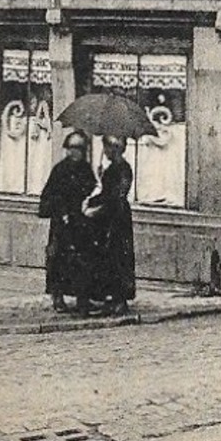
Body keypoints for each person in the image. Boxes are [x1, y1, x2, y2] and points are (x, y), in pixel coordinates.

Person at [37, 132, 97, 314]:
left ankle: (82, 298)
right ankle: (58, 296)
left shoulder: (86, 169)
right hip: (62, 223)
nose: (75, 152)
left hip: (81, 222)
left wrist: (94, 187)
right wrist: (61, 210)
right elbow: (49, 196)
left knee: (83, 259)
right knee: (59, 260)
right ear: (67, 149)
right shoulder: (60, 170)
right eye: (72, 148)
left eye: (79, 148)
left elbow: (91, 190)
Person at [83, 135, 137, 316]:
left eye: (106, 148)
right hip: (110, 218)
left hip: (117, 219)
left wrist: (96, 211)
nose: (104, 152)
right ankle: (111, 299)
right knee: (108, 258)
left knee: (118, 258)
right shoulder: (113, 168)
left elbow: (116, 197)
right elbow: (107, 193)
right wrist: (92, 197)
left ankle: (119, 301)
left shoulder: (123, 169)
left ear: (115, 148)